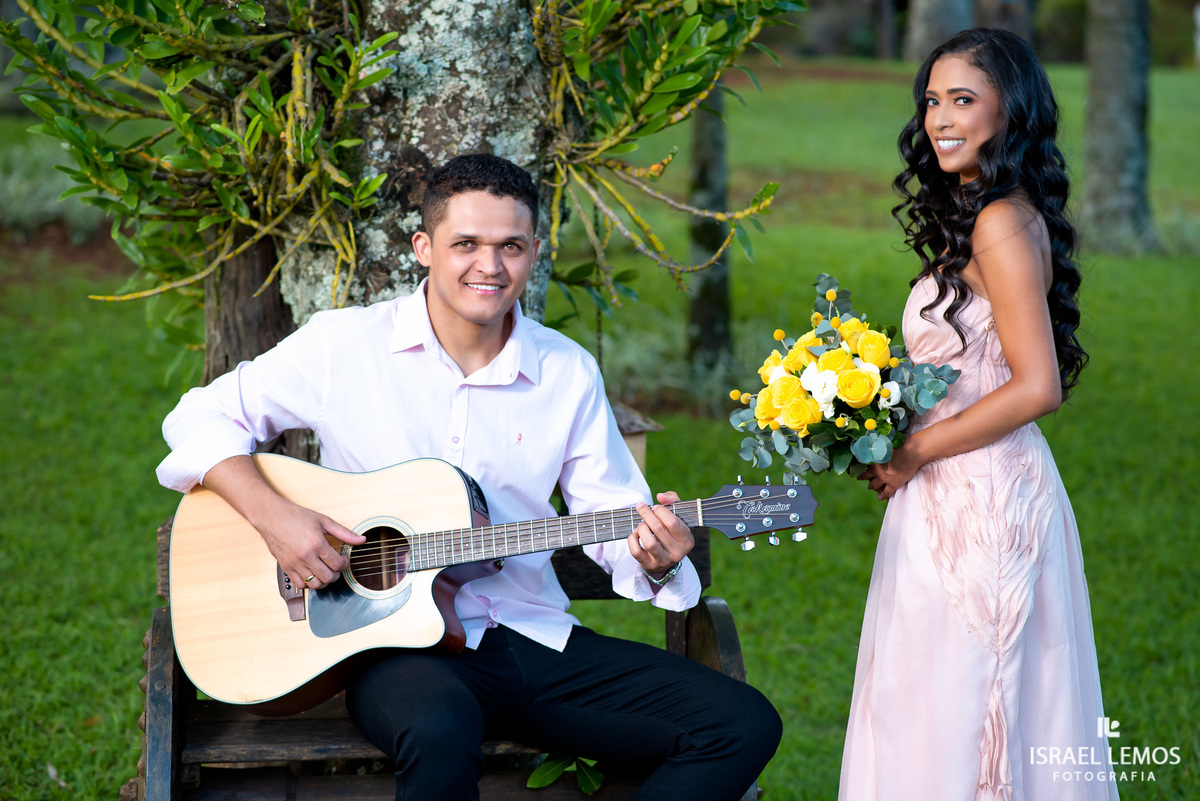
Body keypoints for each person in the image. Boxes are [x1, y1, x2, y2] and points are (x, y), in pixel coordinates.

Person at [156, 153, 781, 800]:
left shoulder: (566, 373)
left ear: (534, 251)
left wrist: (654, 557)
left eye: (511, 245)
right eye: (467, 244)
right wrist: (276, 516)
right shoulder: (345, 347)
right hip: (395, 649)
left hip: (529, 634)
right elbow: (198, 418)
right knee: (437, 724)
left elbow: (615, 517)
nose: (490, 265)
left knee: (740, 722)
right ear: (424, 248)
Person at [840, 29, 1117, 801]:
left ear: (1010, 111)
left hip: (984, 503)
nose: (940, 117)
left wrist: (917, 449)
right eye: (933, 99)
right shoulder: (980, 213)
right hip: (947, 493)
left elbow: (1037, 387)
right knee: (922, 706)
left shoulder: (999, 220)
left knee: (969, 714)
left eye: (963, 99)